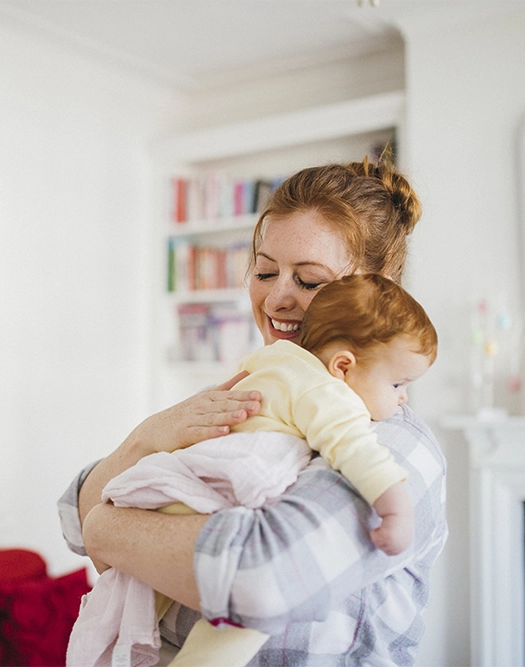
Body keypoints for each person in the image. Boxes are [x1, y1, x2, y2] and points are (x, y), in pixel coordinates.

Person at [59, 154, 448, 666]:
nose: (275, 298)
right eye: (265, 271)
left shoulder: (393, 445)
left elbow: (259, 581)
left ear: (377, 289)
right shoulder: (248, 392)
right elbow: (74, 516)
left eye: (309, 280)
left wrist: (109, 529)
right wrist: (146, 438)